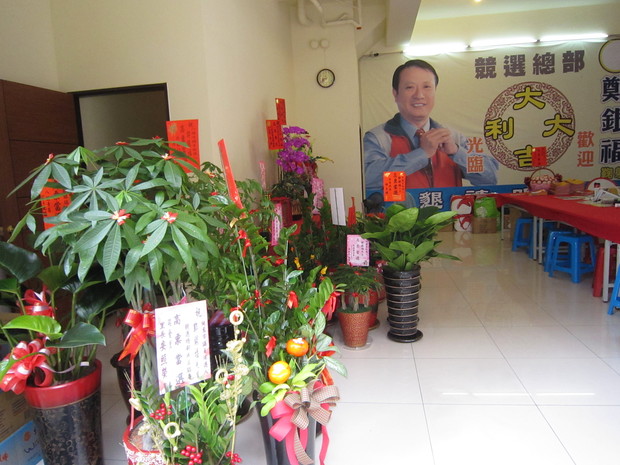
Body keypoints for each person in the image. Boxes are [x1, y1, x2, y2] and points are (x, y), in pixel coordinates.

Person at [363, 59, 499, 191]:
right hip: (398, 207)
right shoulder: (379, 138)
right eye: (410, 87)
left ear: (435, 91)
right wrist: (422, 154)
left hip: (448, 207)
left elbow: (490, 178)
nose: (419, 95)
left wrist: (456, 152)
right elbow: (368, 180)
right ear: (395, 94)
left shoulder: (453, 137)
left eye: (427, 87)